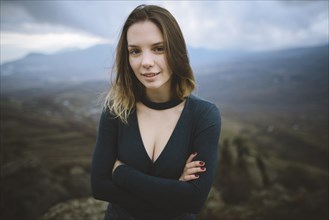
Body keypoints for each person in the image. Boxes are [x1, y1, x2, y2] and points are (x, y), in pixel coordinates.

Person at [91, 4, 221, 220]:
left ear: (176, 51)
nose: (146, 62)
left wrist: (122, 173)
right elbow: (99, 187)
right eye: (135, 51)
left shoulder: (204, 116)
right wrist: (172, 191)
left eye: (159, 48)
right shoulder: (116, 110)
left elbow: (193, 200)